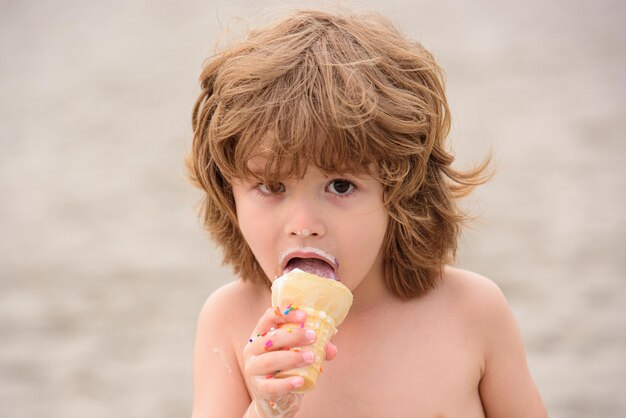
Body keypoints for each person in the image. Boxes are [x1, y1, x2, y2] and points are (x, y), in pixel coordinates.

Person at [187, 9, 547, 418]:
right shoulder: (229, 322)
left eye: (341, 186)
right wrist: (267, 409)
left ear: (402, 192)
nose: (304, 224)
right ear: (227, 194)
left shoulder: (473, 312)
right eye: (271, 187)